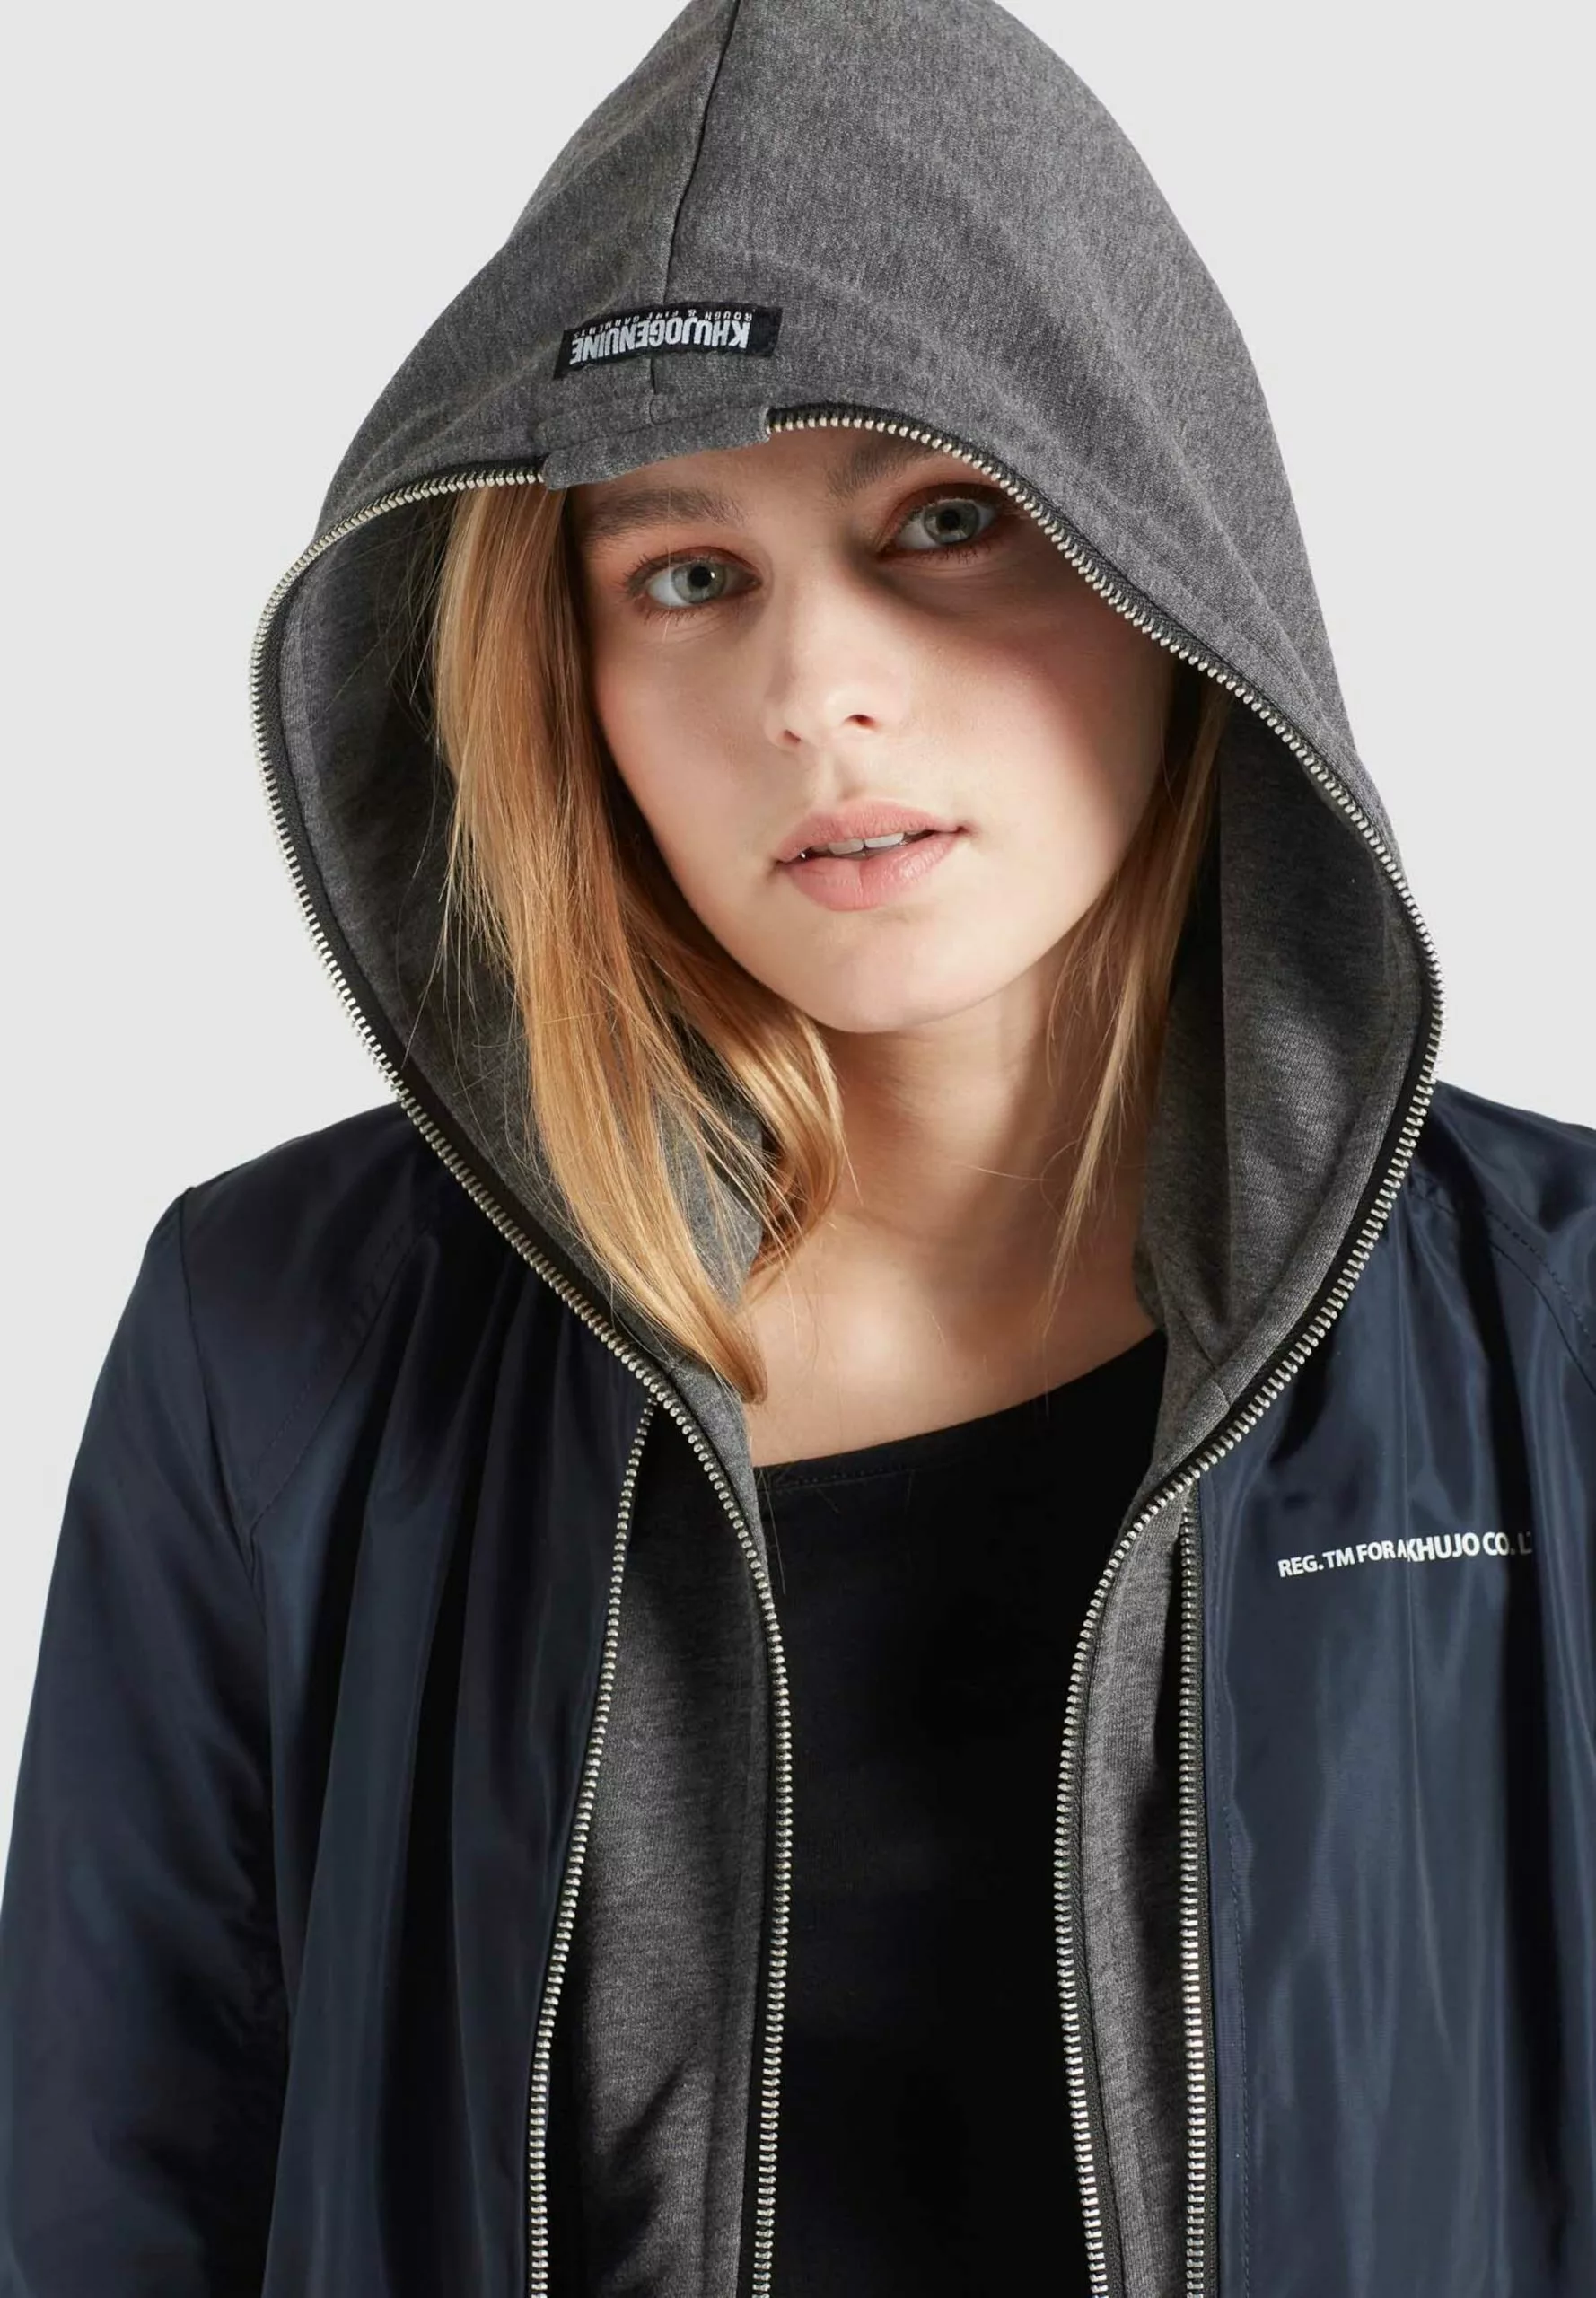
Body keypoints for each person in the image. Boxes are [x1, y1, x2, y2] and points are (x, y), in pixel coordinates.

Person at [2, 0, 1593, 2293]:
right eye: (686, 573)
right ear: (565, 677)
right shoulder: (277, 1335)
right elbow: (110, 2194)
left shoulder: (1555, 1331)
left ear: (1169, 563)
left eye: (943, 520)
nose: (810, 691)